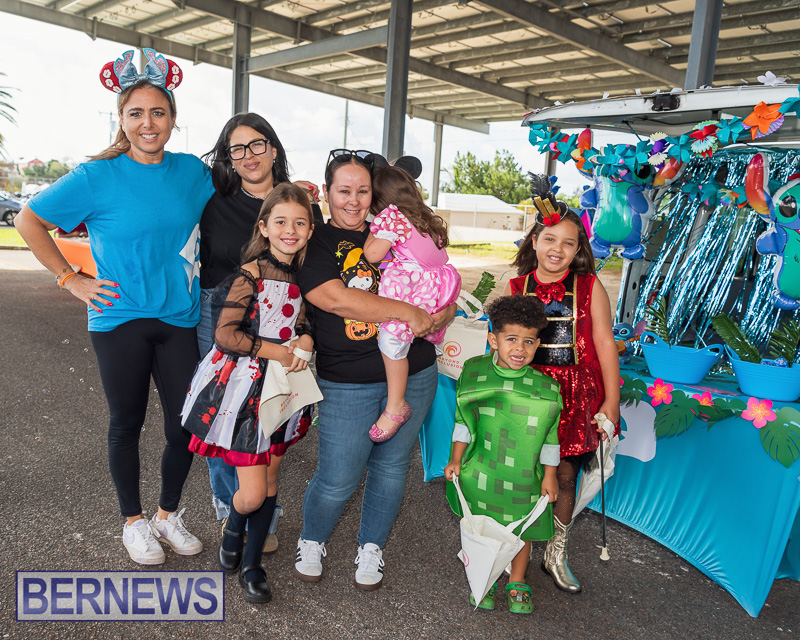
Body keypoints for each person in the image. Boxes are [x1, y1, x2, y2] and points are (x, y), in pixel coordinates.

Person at [14, 49, 215, 565]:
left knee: (184, 425)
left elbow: (235, 212)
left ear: (172, 118)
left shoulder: (193, 172)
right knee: (127, 422)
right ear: (121, 120)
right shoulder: (95, 176)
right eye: (136, 113)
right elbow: (27, 220)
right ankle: (133, 521)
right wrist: (71, 278)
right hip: (119, 318)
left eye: (158, 112)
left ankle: (167, 515)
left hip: (179, 317)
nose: (148, 123)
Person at [293, 149, 456, 590]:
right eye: (343, 190)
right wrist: (407, 311)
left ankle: (372, 546)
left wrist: (444, 311)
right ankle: (312, 539)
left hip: (416, 372)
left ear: (375, 193)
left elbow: (438, 272)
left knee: (392, 468)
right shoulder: (316, 241)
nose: (353, 200)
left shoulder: (397, 225)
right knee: (338, 477)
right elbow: (335, 299)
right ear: (326, 192)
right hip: (348, 381)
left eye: (362, 191)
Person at [182, 183, 315, 603]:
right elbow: (225, 335)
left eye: (300, 223)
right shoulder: (249, 275)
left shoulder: (303, 278)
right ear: (264, 227)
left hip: (283, 389)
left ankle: (253, 564)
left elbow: (304, 324)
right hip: (245, 391)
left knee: (271, 480)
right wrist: (278, 351)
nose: (290, 230)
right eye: (281, 222)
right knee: (253, 492)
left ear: (310, 230)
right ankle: (234, 526)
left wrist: (306, 340)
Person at [199, 112, 322, 551]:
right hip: (225, 314)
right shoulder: (214, 199)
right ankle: (231, 509)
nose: (248, 155)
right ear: (228, 157)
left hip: (283, 321)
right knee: (226, 417)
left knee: (271, 423)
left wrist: (305, 334)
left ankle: (261, 516)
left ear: (273, 148)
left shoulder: (300, 203)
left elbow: (312, 275)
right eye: (237, 148)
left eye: (257, 144)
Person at [503, 174, 620, 593]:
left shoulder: (589, 286)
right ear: (534, 241)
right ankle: (514, 548)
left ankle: (556, 551)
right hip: (527, 392)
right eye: (550, 239)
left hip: (574, 395)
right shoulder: (517, 286)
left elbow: (604, 344)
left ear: (578, 249)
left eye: (568, 243)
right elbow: (501, 344)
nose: (558, 249)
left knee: (566, 475)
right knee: (522, 473)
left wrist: (611, 402)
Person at [444, 295, 560, 613]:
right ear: (493, 340)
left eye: (528, 342)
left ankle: (517, 579)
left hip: (524, 474)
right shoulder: (474, 372)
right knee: (484, 526)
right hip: (483, 468)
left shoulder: (546, 389)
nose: (520, 349)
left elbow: (550, 437)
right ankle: (488, 575)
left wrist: (550, 475)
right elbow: (462, 421)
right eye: (511, 340)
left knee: (520, 528)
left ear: (538, 345)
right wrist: (456, 459)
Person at [361, 166, 461, 441]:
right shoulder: (424, 217)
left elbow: (372, 255)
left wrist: (374, 228)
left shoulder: (392, 217)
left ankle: (396, 406)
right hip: (437, 290)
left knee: (391, 343)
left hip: (414, 290)